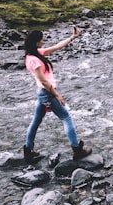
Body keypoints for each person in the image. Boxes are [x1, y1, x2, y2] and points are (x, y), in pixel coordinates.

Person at [21, 25, 91, 163]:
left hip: (42, 93)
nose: (44, 41)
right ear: (36, 42)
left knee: (36, 121)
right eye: (42, 40)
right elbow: (44, 81)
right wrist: (57, 95)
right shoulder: (34, 60)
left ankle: (28, 151)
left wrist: (72, 37)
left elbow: (57, 47)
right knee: (66, 118)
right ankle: (77, 150)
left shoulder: (35, 54)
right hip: (47, 93)